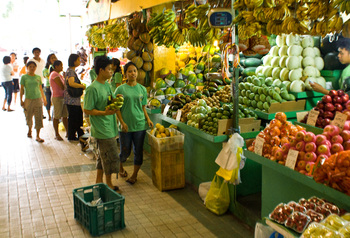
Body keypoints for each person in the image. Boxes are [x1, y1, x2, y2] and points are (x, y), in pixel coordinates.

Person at [84, 56, 121, 191]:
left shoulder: (107, 85)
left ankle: (99, 181)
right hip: (101, 129)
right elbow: (87, 109)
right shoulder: (92, 88)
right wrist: (103, 113)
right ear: (101, 70)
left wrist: (118, 101)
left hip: (110, 126)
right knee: (110, 156)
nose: (111, 72)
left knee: (102, 156)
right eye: (109, 69)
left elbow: (110, 103)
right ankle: (109, 183)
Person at [116, 62, 154, 184]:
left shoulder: (142, 89)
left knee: (138, 151)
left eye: (134, 71)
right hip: (125, 126)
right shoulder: (120, 89)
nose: (133, 73)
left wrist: (148, 119)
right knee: (125, 151)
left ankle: (134, 175)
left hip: (139, 125)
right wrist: (121, 122)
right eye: (130, 71)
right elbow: (117, 108)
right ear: (125, 74)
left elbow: (143, 108)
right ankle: (120, 167)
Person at [20, 61, 47, 142]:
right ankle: (29, 129)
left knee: (38, 116)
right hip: (28, 100)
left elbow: (41, 89)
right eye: (30, 66)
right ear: (27, 68)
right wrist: (21, 100)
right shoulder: (24, 77)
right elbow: (21, 89)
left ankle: (38, 135)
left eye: (33, 67)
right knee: (28, 116)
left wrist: (44, 99)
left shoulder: (38, 77)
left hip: (38, 99)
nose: (32, 68)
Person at [64, 53, 85, 141]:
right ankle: (74, 135)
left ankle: (73, 135)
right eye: (78, 60)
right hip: (72, 99)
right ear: (74, 61)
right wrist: (82, 86)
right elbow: (71, 83)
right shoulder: (71, 71)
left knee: (73, 117)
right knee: (76, 117)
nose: (79, 61)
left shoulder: (70, 70)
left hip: (71, 99)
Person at [50, 60, 68, 141]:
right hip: (57, 97)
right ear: (56, 66)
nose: (62, 67)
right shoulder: (54, 74)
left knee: (65, 115)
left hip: (62, 97)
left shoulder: (59, 75)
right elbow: (62, 86)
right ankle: (56, 134)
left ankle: (68, 132)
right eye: (61, 65)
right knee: (57, 116)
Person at [43, 53, 57, 121]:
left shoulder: (57, 67)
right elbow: (47, 76)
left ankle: (54, 115)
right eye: (52, 58)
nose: (54, 59)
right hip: (48, 87)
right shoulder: (46, 69)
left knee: (55, 102)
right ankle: (49, 115)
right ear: (49, 60)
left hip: (55, 87)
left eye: (55, 57)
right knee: (48, 101)